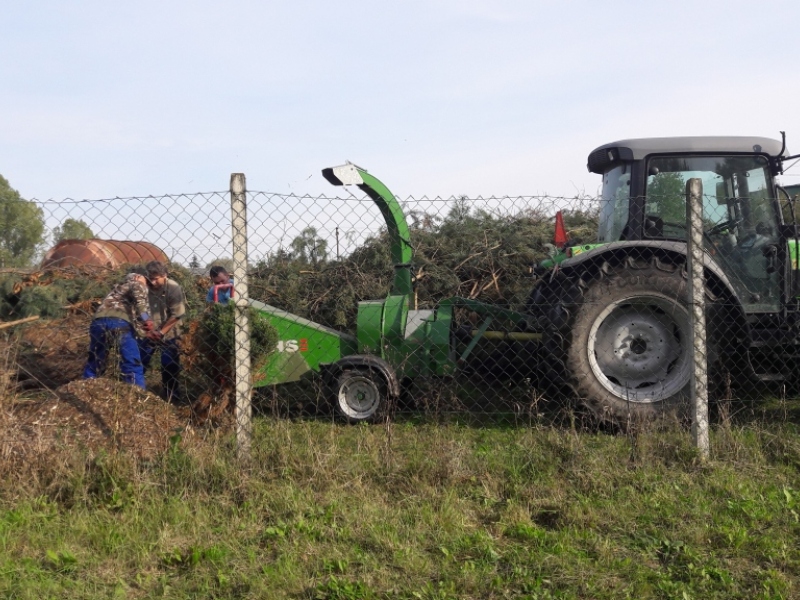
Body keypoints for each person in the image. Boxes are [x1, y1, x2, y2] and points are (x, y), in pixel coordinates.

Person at [83, 268, 154, 388]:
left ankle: (87, 387)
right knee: (132, 362)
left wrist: (142, 331)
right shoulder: (137, 284)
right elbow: (141, 305)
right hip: (119, 323)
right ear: (137, 276)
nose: (147, 283)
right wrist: (148, 321)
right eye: (146, 280)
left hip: (98, 322)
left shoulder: (116, 290)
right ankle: (137, 395)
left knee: (96, 359)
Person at [137, 260, 187, 403]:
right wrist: (149, 328)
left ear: (164, 275)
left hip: (170, 332)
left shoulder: (173, 288)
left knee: (169, 365)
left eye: (156, 278)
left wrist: (161, 332)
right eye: (150, 278)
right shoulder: (144, 286)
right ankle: (134, 390)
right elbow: (142, 310)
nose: (152, 282)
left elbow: (176, 315)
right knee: (140, 360)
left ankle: (171, 397)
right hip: (150, 332)